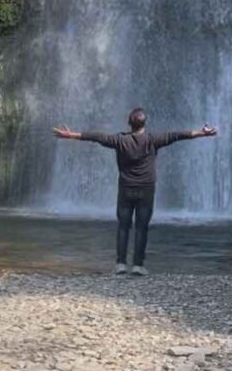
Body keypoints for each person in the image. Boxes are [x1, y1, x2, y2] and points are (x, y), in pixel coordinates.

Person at [52, 108, 217, 276]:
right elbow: (178, 135)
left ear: (129, 123)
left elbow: (97, 137)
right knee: (141, 228)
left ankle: (121, 264)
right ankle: (138, 265)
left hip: (126, 189)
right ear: (144, 123)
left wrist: (71, 135)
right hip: (146, 190)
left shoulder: (119, 140)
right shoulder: (153, 139)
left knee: (123, 227)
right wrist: (202, 133)